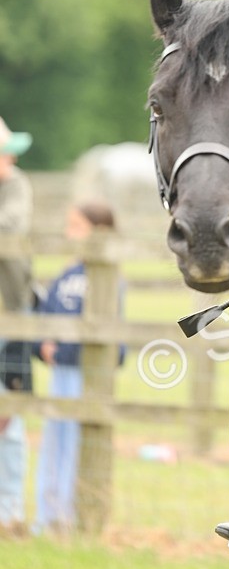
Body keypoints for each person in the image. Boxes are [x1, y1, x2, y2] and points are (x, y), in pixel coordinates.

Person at [34, 200, 118, 533]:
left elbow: (109, 336)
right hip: (60, 375)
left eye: (77, 227)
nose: (69, 234)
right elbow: (46, 315)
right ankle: (47, 517)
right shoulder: (65, 275)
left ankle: (72, 516)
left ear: (100, 232)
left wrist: (66, 350)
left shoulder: (106, 276)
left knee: (78, 444)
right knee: (54, 442)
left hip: (88, 376)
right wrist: (42, 346)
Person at [0, 116, 34, 533]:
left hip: (11, 314)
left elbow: (9, 226)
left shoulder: (17, 187)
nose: (10, 160)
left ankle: (8, 511)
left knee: (9, 415)